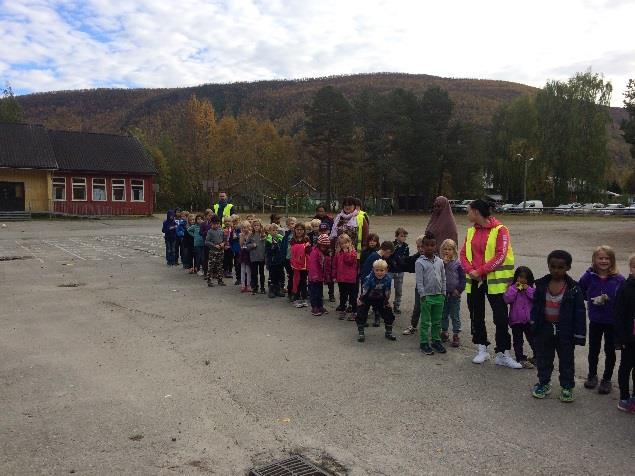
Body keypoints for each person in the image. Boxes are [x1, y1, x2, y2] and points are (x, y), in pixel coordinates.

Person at [460, 199, 521, 368]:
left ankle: (503, 353)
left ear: (476, 212)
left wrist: (480, 271)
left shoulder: (501, 230)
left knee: (501, 318)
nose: (467, 214)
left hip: (495, 282)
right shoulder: (471, 231)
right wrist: (471, 271)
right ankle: (482, 348)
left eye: (468, 211)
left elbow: (500, 256)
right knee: (476, 315)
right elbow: (463, 253)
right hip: (474, 281)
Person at [531, 250, 587, 402]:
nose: (556, 270)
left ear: (568, 268)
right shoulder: (541, 285)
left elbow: (580, 312)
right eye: (553, 266)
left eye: (560, 267)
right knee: (544, 359)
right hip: (545, 329)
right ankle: (543, 383)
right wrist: (534, 325)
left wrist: (579, 335)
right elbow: (535, 308)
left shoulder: (574, 288)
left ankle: (567, 386)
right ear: (548, 266)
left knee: (566, 360)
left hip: (566, 332)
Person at [579, 245, 625, 394]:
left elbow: (625, 298)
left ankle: (607, 379)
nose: (604, 261)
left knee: (610, 351)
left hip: (612, 321)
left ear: (612, 261)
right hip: (596, 320)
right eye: (601, 258)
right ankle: (592, 375)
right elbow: (580, 290)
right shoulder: (589, 276)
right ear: (594, 260)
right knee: (593, 349)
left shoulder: (619, 279)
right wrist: (591, 299)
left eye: (607, 258)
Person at [415, 232, 447, 355]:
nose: (429, 247)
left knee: (437, 321)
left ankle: (436, 340)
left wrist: (443, 293)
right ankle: (424, 343)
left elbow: (443, 278)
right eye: (427, 245)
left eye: (432, 245)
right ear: (422, 247)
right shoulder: (419, 262)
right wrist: (422, 295)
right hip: (426, 297)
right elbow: (419, 281)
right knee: (425, 322)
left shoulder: (439, 261)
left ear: (436, 246)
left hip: (439, 296)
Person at [356, 259, 396, 343]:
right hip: (368, 297)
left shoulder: (388, 278)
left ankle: (388, 332)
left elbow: (387, 291)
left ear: (386, 270)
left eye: (382, 270)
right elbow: (365, 289)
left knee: (388, 312)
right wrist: (360, 299)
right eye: (377, 270)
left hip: (380, 298)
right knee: (361, 312)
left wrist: (387, 301)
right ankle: (361, 333)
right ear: (373, 270)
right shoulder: (369, 278)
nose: (379, 272)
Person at [503, 266, 536, 368]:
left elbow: (536, 298)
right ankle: (520, 358)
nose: (522, 280)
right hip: (516, 320)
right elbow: (507, 299)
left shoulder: (531, 289)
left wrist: (528, 289)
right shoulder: (512, 288)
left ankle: (538, 357)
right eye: (520, 277)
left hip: (529, 320)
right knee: (518, 341)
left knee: (533, 339)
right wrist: (514, 288)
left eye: (525, 278)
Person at [615, 254, 635, 412]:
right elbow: (619, 315)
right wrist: (620, 338)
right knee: (625, 367)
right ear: (631, 268)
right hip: (629, 338)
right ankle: (623, 396)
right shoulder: (626, 288)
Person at [440, 239, 465, 347]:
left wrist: (459, 290)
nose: (447, 251)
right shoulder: (439, 262)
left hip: (454, 294)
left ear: (454, 251)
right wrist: (443, 264)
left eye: (449, 249)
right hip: (443, 293)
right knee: (443, 314)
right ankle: (444, 331)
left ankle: (456, 334)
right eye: (445, 249)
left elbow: (463, 279)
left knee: (454, 315)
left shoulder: (458, 264)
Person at [333, 233, 358, 321]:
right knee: (343, 295)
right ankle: (343, 309)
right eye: (342, 243)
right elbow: (335, 265)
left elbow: (349, 262)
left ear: (350, 242)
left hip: (350, 279)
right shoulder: (338, 253)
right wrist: (334, 275)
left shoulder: (353, 253)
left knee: (352, 296)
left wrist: (347, 253)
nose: (344, 245)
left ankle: (354, 311)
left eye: (346, 243)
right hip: (341, 278)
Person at [308, 234, 334, 316]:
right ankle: (314, 306)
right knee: (314, 292)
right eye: (323, 246)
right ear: (319, 245)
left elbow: (326, 266)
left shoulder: (325, 254)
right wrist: (315, 275)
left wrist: (327, 276)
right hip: (314, 277)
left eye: (326, 247)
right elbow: (313, 266)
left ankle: (320, 305)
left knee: (320, 292)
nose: (324, 248)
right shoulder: (314, 252)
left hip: (320, 277)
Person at [289, 223, 310, 308]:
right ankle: (296, 299)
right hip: (296, 264)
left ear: (304, 231)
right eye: (297, 229)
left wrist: (305, 247)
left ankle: (304, 298)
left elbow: (309, 250)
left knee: (304, 281)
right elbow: (293, 249)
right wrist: (303, 247)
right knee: (296, 281)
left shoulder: (306, 239)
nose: (299, 231)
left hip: (304, 264)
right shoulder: (293, 239)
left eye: (301, 229)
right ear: (295, 230)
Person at [389, 227, 409, 315]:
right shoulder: (392, 245)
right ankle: (384, 304)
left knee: (399, 290)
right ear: (396, 236)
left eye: (405, 236)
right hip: (390, 270)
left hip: (400, 271)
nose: (403, 238)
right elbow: (389, 256)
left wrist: (402, 262)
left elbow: (406, 257)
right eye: (401, 236)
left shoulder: (406, 246)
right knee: (387, 289)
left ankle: (396, 305)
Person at [245, 218, 266, 295]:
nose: (256, 227)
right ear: (252, 226)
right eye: (255, 225)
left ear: (260, 226)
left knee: (262, 273)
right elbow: (246, 245)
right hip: (253, 257)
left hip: (261, 257)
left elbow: (267, 244)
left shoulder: (263, 234)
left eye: (258, 225)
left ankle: (262, 288)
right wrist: (251, 245)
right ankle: (255, 288)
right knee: (254, 273)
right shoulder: (251, 235)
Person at [265, 223, 286, 298]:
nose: (275, 232)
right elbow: (267, 251)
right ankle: (271, 290)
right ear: (269, 231)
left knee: (280, 275)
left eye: (276, 230)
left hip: (279, 261)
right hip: (272, 261)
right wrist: (273, 247)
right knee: (272, 276)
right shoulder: (268, 240)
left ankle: (278, 289)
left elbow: (283, 249)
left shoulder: (280, 238)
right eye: (273, 230)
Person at [205, 215, 225, 287]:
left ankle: (220, 280)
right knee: (211, 267)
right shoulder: (210, 232)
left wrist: (223, 243)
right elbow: (206, 242)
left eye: (217, 224)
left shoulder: (221, 230)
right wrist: (214, 245)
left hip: (220, 251)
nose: (216, 225)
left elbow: (224, 240)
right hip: (213, 252)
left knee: (220, 266)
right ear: (211, 224)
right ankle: (209, 281)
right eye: (214, 224)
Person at [281, 216, 297, 298]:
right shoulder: (286, 235)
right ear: (287, 226)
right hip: (288, 258)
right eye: (290, 224)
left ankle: (297, 292)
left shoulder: (299, 235)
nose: (293, 226)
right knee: (290, 275)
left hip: (297, 259)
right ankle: (290, 292)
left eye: (294, 223)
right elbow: (284, 247)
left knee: (297, 276)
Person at [238, 221, 252, 293]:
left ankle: (249, 284)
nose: (244, 229)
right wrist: (242, 236)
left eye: (246, 227)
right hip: (243, 253)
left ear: (249, 227)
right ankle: (243, 285)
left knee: (248, 270)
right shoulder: (241, 235)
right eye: (243, 228)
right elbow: (240, 245)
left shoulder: (250, 234)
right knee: (243, 270)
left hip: (249, 253)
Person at [199, 209, 213, 279]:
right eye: (209, 215)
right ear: (206, 216)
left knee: (213, 258)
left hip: (213, 243)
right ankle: (205, 272)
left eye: (211, 215)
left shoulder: (214, 223)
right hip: (206, 243)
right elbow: (200, 233)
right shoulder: (203, 224)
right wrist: (207, 231)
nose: (210, 217)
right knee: (206, 258)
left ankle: (214, 272)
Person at [229, 216, 242, 284]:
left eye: (236, 223)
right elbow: (230, 240)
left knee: (240, 264)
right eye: (233, 223)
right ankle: (238, 278)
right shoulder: (232, 231)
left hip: (240, 250)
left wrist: (237, 236)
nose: (235, 225)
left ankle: (241, 278)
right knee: (236, 264)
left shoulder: (241, 230)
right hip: (234, 250)